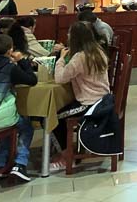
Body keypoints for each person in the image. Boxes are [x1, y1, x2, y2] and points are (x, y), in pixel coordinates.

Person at [50, 21, 111, 171]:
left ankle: (67, 157)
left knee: (53, 117)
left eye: (69, 34)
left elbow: (60, 78)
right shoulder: (98, 51)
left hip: (90, 104)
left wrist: (61, 59)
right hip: (104, 100)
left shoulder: (80, 57)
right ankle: (68, 152)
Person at [0, 33, 37, 182]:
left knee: (9, 120)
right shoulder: (9, 68)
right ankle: (20, 164)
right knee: (25, 125)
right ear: (10, 50)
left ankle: (0, 164)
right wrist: (22, 60)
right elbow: (32, 80)